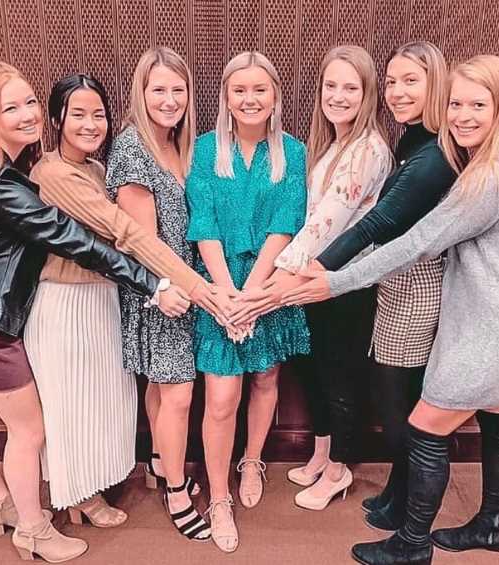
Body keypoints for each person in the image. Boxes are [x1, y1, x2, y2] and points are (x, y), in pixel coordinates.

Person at [283, 54, 499, 565]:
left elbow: (416, 243)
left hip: (490, 329)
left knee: (426, 428)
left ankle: (411, 545)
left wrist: (335, 282)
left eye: (479, 104)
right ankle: (493, 526)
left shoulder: (489, 178)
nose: (462, 115)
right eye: (456, 103)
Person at [0, 57, 169, 562]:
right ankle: (33, 528)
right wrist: (153, 282)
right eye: (9, 108)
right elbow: (77, 240)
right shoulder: (1, 184)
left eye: (29, 102)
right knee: (29, 430)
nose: (27, 114)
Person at [25, 72, 193, 529]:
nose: (90, 124)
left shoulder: (96, 170)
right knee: (72, 403)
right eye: (77, 115)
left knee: (101, 400)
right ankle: (77, 497)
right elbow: (125, 232)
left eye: (98, 114)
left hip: (102, 300)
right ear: (57, 119)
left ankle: (91, 487)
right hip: (66, 304)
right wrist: (192, 286)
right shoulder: (53, 173)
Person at [315, 41, 456, 529]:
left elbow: (380, 222)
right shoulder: (411, 140)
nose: (397, 92)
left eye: (410, 81)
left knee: (399, 410)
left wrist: (320, 272)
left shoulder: (436, 152)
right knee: (394, 397)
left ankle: (411, 524)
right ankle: (400, 493)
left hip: (415, 287)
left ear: (435, 83)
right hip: (392, 282)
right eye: (392, 82)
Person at [186, 51, 310, 553]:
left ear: (275, 95)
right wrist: (228, 298)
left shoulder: (293, 152)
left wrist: (253, 297)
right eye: (240, 90)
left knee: (265, 379)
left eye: (260, 89)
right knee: (220, 399)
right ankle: (218, 498)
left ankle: (253, 458)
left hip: (270, 282)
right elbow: (204, 224)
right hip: (219, 284)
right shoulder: (204, 149)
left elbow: (286, 224)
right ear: (226, 97)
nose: (250, 99)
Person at [260, 45, 392, 510]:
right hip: (312, 280)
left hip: (344, 285)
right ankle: (320, 455)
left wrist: (269, 285)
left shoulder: (369, 149)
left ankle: (338, 470)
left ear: (367, 94)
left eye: (350, 88)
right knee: (313, 372)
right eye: (331, 86)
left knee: (341, 378)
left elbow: (326, 225)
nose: (338, 96)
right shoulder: (333, 144)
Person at [104, 47, 210, 541]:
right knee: (180, 394)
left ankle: (156, 462)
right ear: (141, 93)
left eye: (178, 89)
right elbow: (140, 241)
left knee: (162, 388)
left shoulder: (180, 144)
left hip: (185, 285)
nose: (169, 100)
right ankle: (176, 489)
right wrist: (176, 288)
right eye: (158, 89)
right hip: (160, 288)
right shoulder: (132, 147)